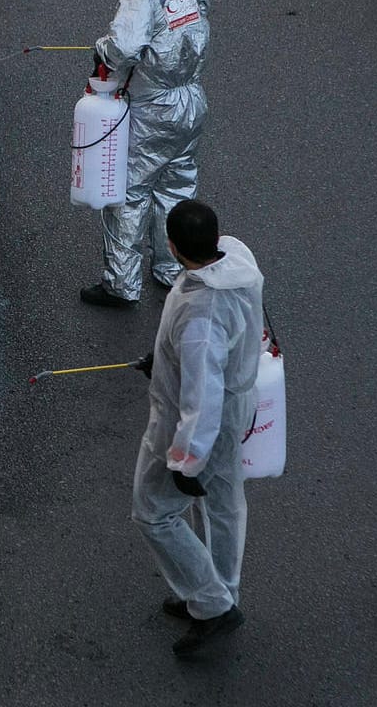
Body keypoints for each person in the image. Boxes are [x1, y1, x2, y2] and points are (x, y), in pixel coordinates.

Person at [131, 199, 265, 656]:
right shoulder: (237, 258)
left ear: (171, 246)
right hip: (237, 407)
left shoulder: (201, 314)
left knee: (154, 512)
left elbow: (200, 396)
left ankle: (211, 605)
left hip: (200, 423)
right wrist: (165, 355)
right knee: (224, 506)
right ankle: (221, 588)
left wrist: (184, 459)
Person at [81, 0, 209, 307]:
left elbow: (123, 48)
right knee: (176, 186)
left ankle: (121, 284)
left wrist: (102, 49)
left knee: (130, 194)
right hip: (192, 101)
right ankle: (171, 267)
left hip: (154, 108)